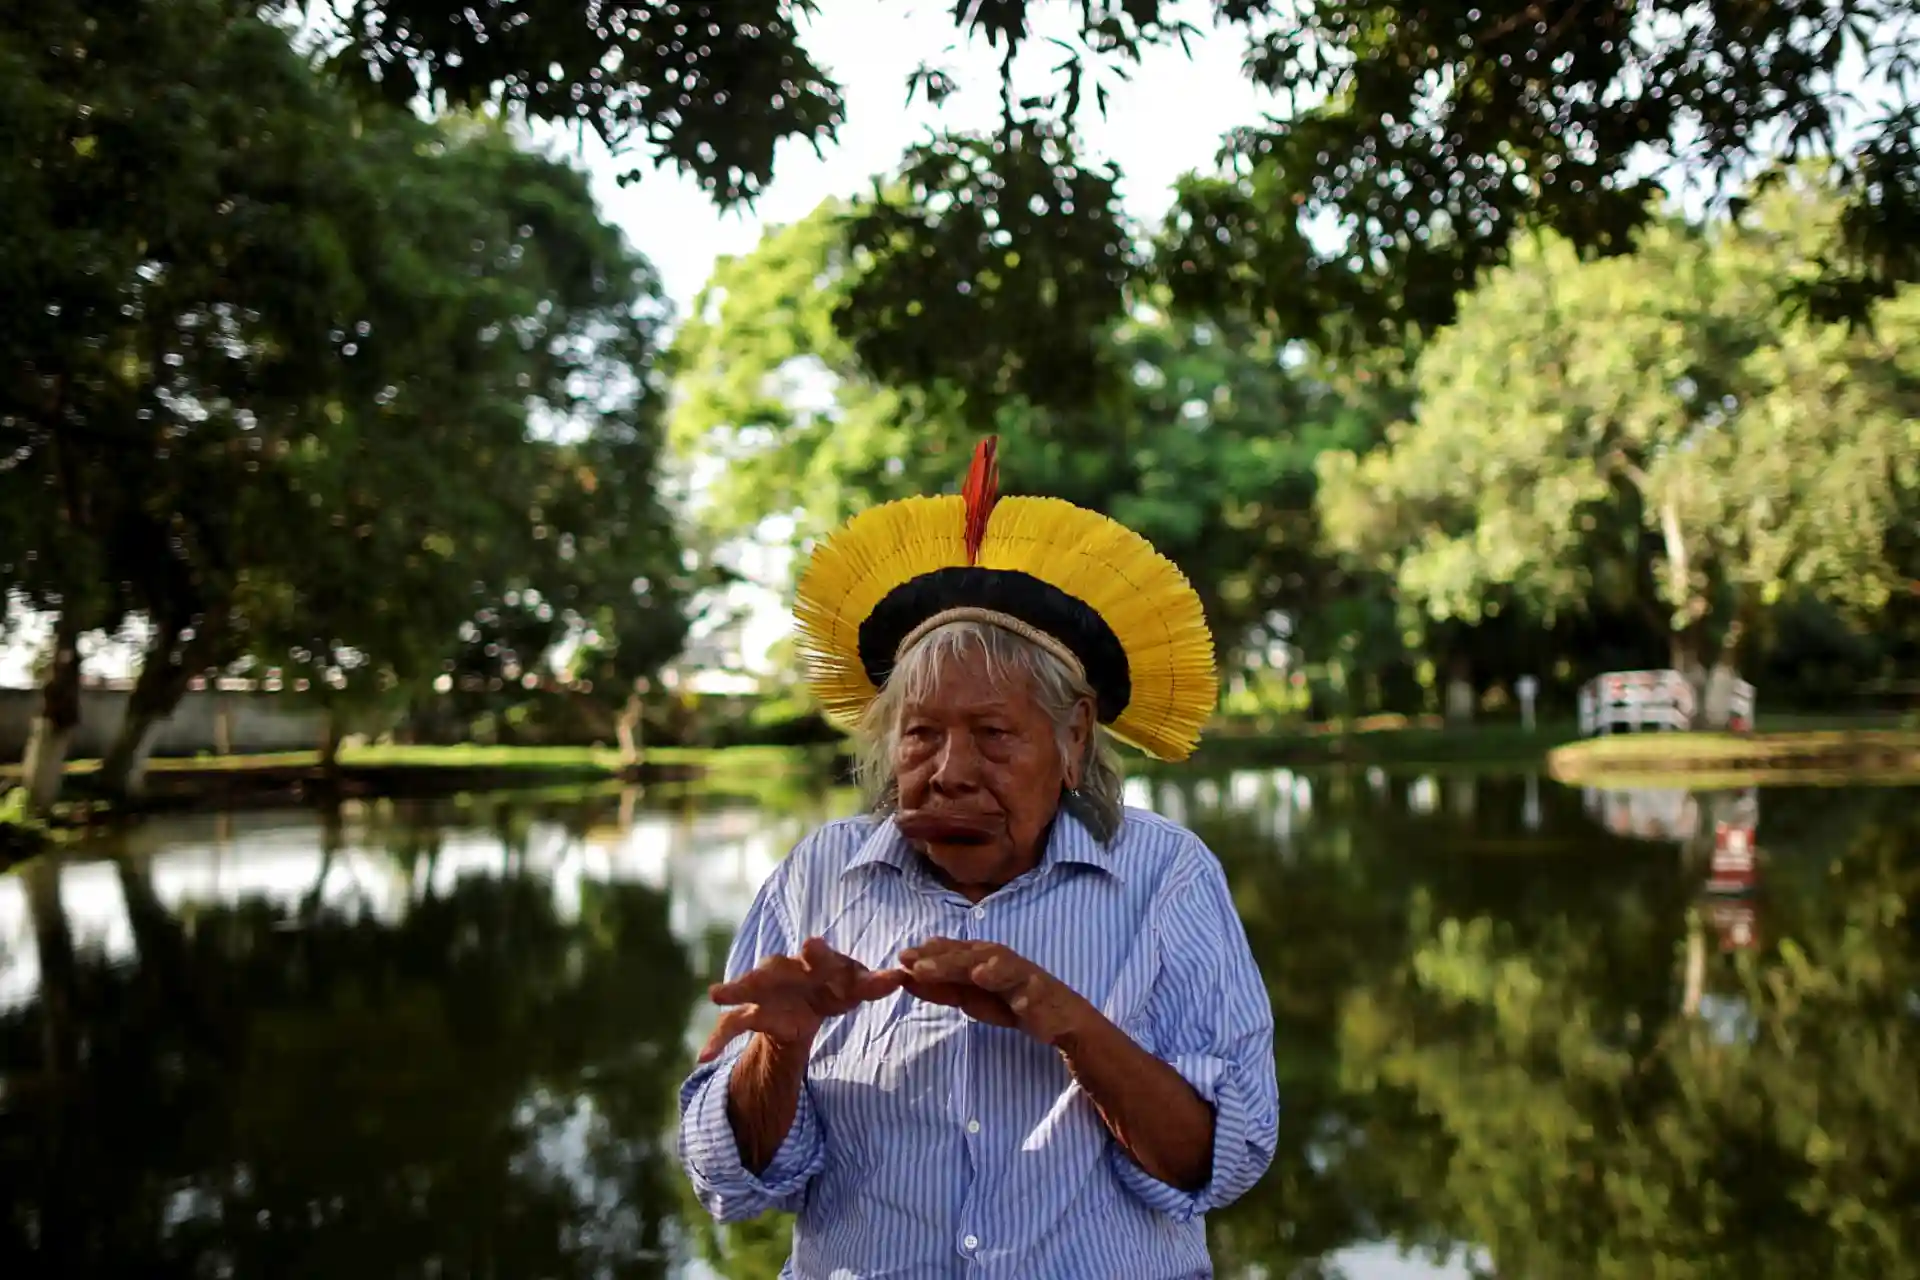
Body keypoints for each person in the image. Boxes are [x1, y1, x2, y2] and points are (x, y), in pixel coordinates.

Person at [676, 437, 1278, 1278]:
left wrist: (1063, 1017)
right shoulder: (820, 876)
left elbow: (1220, 1164)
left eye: (994, 736)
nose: (950, 772)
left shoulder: (1165, 877)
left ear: (1073, 740)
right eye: (921, 734)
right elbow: (729, 1185)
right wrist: (783, 1047)